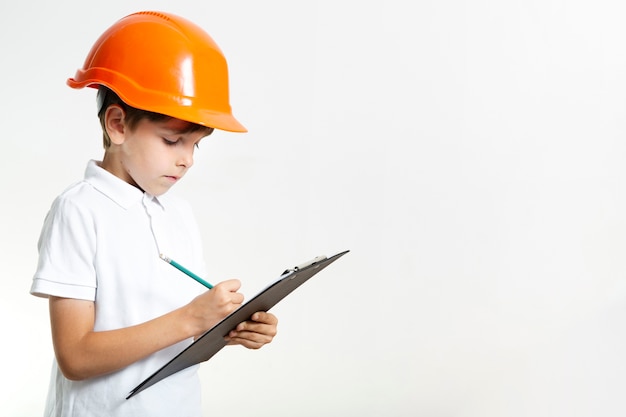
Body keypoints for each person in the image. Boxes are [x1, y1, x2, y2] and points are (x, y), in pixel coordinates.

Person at [30, 11, 278, 417]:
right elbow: (75, 358)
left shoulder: (178, 214)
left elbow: (174, 345)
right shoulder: (78, 210)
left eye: (195, 146)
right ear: (117, 124)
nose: (186, 161)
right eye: (172, 140)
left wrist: (225, 327)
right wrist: (189, 319)